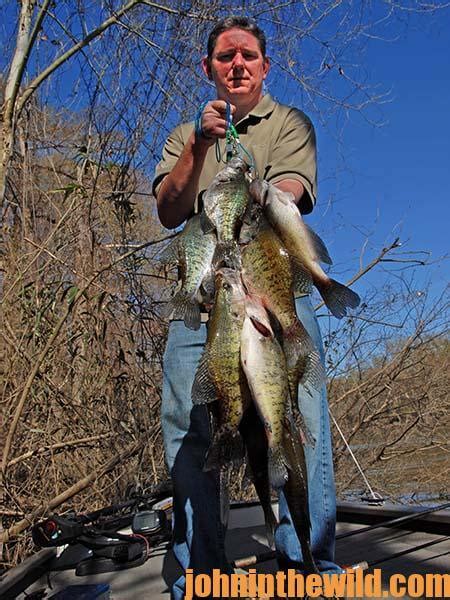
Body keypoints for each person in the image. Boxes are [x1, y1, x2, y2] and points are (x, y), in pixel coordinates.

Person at [152, 16, 344, 600]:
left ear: (264, 66)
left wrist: (253, 188)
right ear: (208, 68)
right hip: (205, 306)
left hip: (275, 293)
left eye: (249, 55)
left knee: (300, 419)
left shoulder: (288, 123)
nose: (237, 64)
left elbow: (293, 192)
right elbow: (168, 208)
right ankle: (203, 575)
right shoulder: (187, 133)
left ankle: (310, 565)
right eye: (226, 56)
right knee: (189, 424)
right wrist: (200, 145)